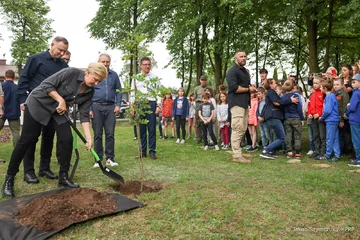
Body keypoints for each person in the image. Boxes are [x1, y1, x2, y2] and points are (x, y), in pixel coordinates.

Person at [1, 62, 108, 198]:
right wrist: (60, 99)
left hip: (57, 112)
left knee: (67, 139)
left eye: (100, 81)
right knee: (28, 139)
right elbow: (46, 85)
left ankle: (63, 177)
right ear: (88, 72)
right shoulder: (71, 73)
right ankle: (9, 179)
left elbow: (84, 114)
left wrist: (89, 137)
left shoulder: (89, 91)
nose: (97, 83)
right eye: (96, 78)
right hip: (38, 103)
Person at [16, 36, 69, 184]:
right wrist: (22, 100)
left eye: (64, 51)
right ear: (52, 44)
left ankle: (44, 168)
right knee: (31, 137)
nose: (61, 54)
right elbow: (24, 79)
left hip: (52, 106)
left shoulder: (63, 66)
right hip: (34, 104)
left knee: (48, 137)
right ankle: (28, 171)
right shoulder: (36, 59)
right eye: (59, 50)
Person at [90, 53, 122, 168]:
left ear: (110, 62)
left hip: (110, 107)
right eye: (103, 61)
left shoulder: (114, 75)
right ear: (99, 62)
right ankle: (98, 160)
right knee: (97, 134)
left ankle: (110, 158)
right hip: (96, 106)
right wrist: (89, 108)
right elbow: (88, 91)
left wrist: (118, 104)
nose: (105, 63)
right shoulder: (94, 74)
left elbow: (118, 90)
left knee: (110, 134)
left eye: (107, 61)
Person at [226, 50, 257, 163]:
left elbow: (245, 86)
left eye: (245, 56)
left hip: (244, 104)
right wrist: (249, 89)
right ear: (236, 58)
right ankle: (237, 156)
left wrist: (251, 88)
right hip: (236, 104)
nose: (243, 58)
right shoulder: (232, 71)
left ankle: (237, 153)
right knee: (238, 129)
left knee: (243, 129)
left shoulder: (244, 71)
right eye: (241, 56)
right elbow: (234, 88)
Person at [259, 79, 298, 160]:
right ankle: (266, 150)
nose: (276, 84)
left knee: (279, 136)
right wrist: (290, 100)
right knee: (282, 138)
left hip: (271, 117)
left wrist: (262, 115)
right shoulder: (271, 91)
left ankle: (270, 151)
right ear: (270, 85)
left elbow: (267, 105)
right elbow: (276, 102)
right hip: (274, 116)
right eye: (274, 83)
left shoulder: (269, 93)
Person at [131, 57, 160, 159]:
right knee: (141, 129)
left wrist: (158, 106)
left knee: (151, 129)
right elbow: (132, 93)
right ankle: (143, 152)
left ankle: (152, 151)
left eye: (149, 64)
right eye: (145, 64)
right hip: (140, 104)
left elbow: (158, 92)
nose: (147, 66)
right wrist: (132, 107)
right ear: (140, 66)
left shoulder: (155, 78)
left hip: (151, 103)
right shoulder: (136, 78)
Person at [319, 79, 340, 161]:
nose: (320, 88)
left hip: (331, 120)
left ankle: (327, 155)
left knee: (329, 138)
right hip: (334, 120)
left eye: (321, 87)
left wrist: (322, 117)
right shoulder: (332, 96)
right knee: (335, 138)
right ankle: (337, 155)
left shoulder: (329, 96)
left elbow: (327, 110)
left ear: (324, 88)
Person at [282, 80, 304, 158]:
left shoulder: (283, 97)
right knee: (297, 135)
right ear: (293, 87)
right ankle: (297, 152)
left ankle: (289, 151)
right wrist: (302, 119)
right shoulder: (296, 96)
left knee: (288, 135)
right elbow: (299, 109)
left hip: (287, 118)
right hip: (296, 117)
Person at [0, 70, 21, 148]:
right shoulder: (17, 88)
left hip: (1, 112)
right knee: (15, 132)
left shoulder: (1, 86)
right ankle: (17, 152)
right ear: (14, 77)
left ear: (5, 76)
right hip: (14, 112)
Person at [308, 77, 326, 160]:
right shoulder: (312, 95)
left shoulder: (323, 94)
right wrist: (310, 114)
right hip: (313, 118)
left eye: (317, 83)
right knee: (315, 135)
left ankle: (323, 152)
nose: (315, 85)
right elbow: (310, 106)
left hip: (321, 118)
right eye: (314, 83)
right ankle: (317, 150)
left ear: (321, 84)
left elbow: (324, 107)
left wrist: (319, 114)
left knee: (322, 135)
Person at [333, 78, 350, 154]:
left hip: (341, 118)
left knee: (340, 136)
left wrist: (342, 120)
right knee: (336, 135)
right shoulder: (334, 94)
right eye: (334, 85)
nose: (335, 86)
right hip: (335, 117)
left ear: (342, 85)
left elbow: (344, 107)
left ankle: (340, 150)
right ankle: (336, 150)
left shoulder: (344, 94)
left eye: (337, 84)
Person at [347, 74, 360, 167]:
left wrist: (348, 106)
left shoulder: (356, 93)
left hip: (355, 120)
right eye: (352, 82)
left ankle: (358, 159)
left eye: (354, 82)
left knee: (356, 140)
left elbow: (352, 107)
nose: (352, 84)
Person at [194, 75, 210, 143]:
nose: (203, 81)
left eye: (204, 80)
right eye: (202, 80)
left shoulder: (208, 88)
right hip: (198, 104)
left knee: (206, 120)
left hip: (206, 104)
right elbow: (195, 97)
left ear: (206, 81)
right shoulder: (196, 88)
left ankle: (205, 137)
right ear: (200, 80)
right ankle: (198, 138)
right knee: (198, 121)